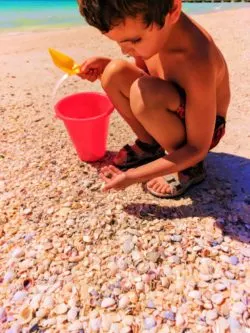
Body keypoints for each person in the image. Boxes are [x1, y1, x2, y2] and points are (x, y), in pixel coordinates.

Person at [77, 0, 230, 198]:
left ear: (174, 10)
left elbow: (198, 147)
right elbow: (147, 73)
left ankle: (190, 167)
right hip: (170, 101)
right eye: (118, 42)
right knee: (113, 72)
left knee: (146, 93)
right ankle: (150, 146)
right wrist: (106, 64)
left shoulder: (196, 59)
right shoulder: (155, 23)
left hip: (204, 131)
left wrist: (133, 176)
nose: (125, 50)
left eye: (134, 41)